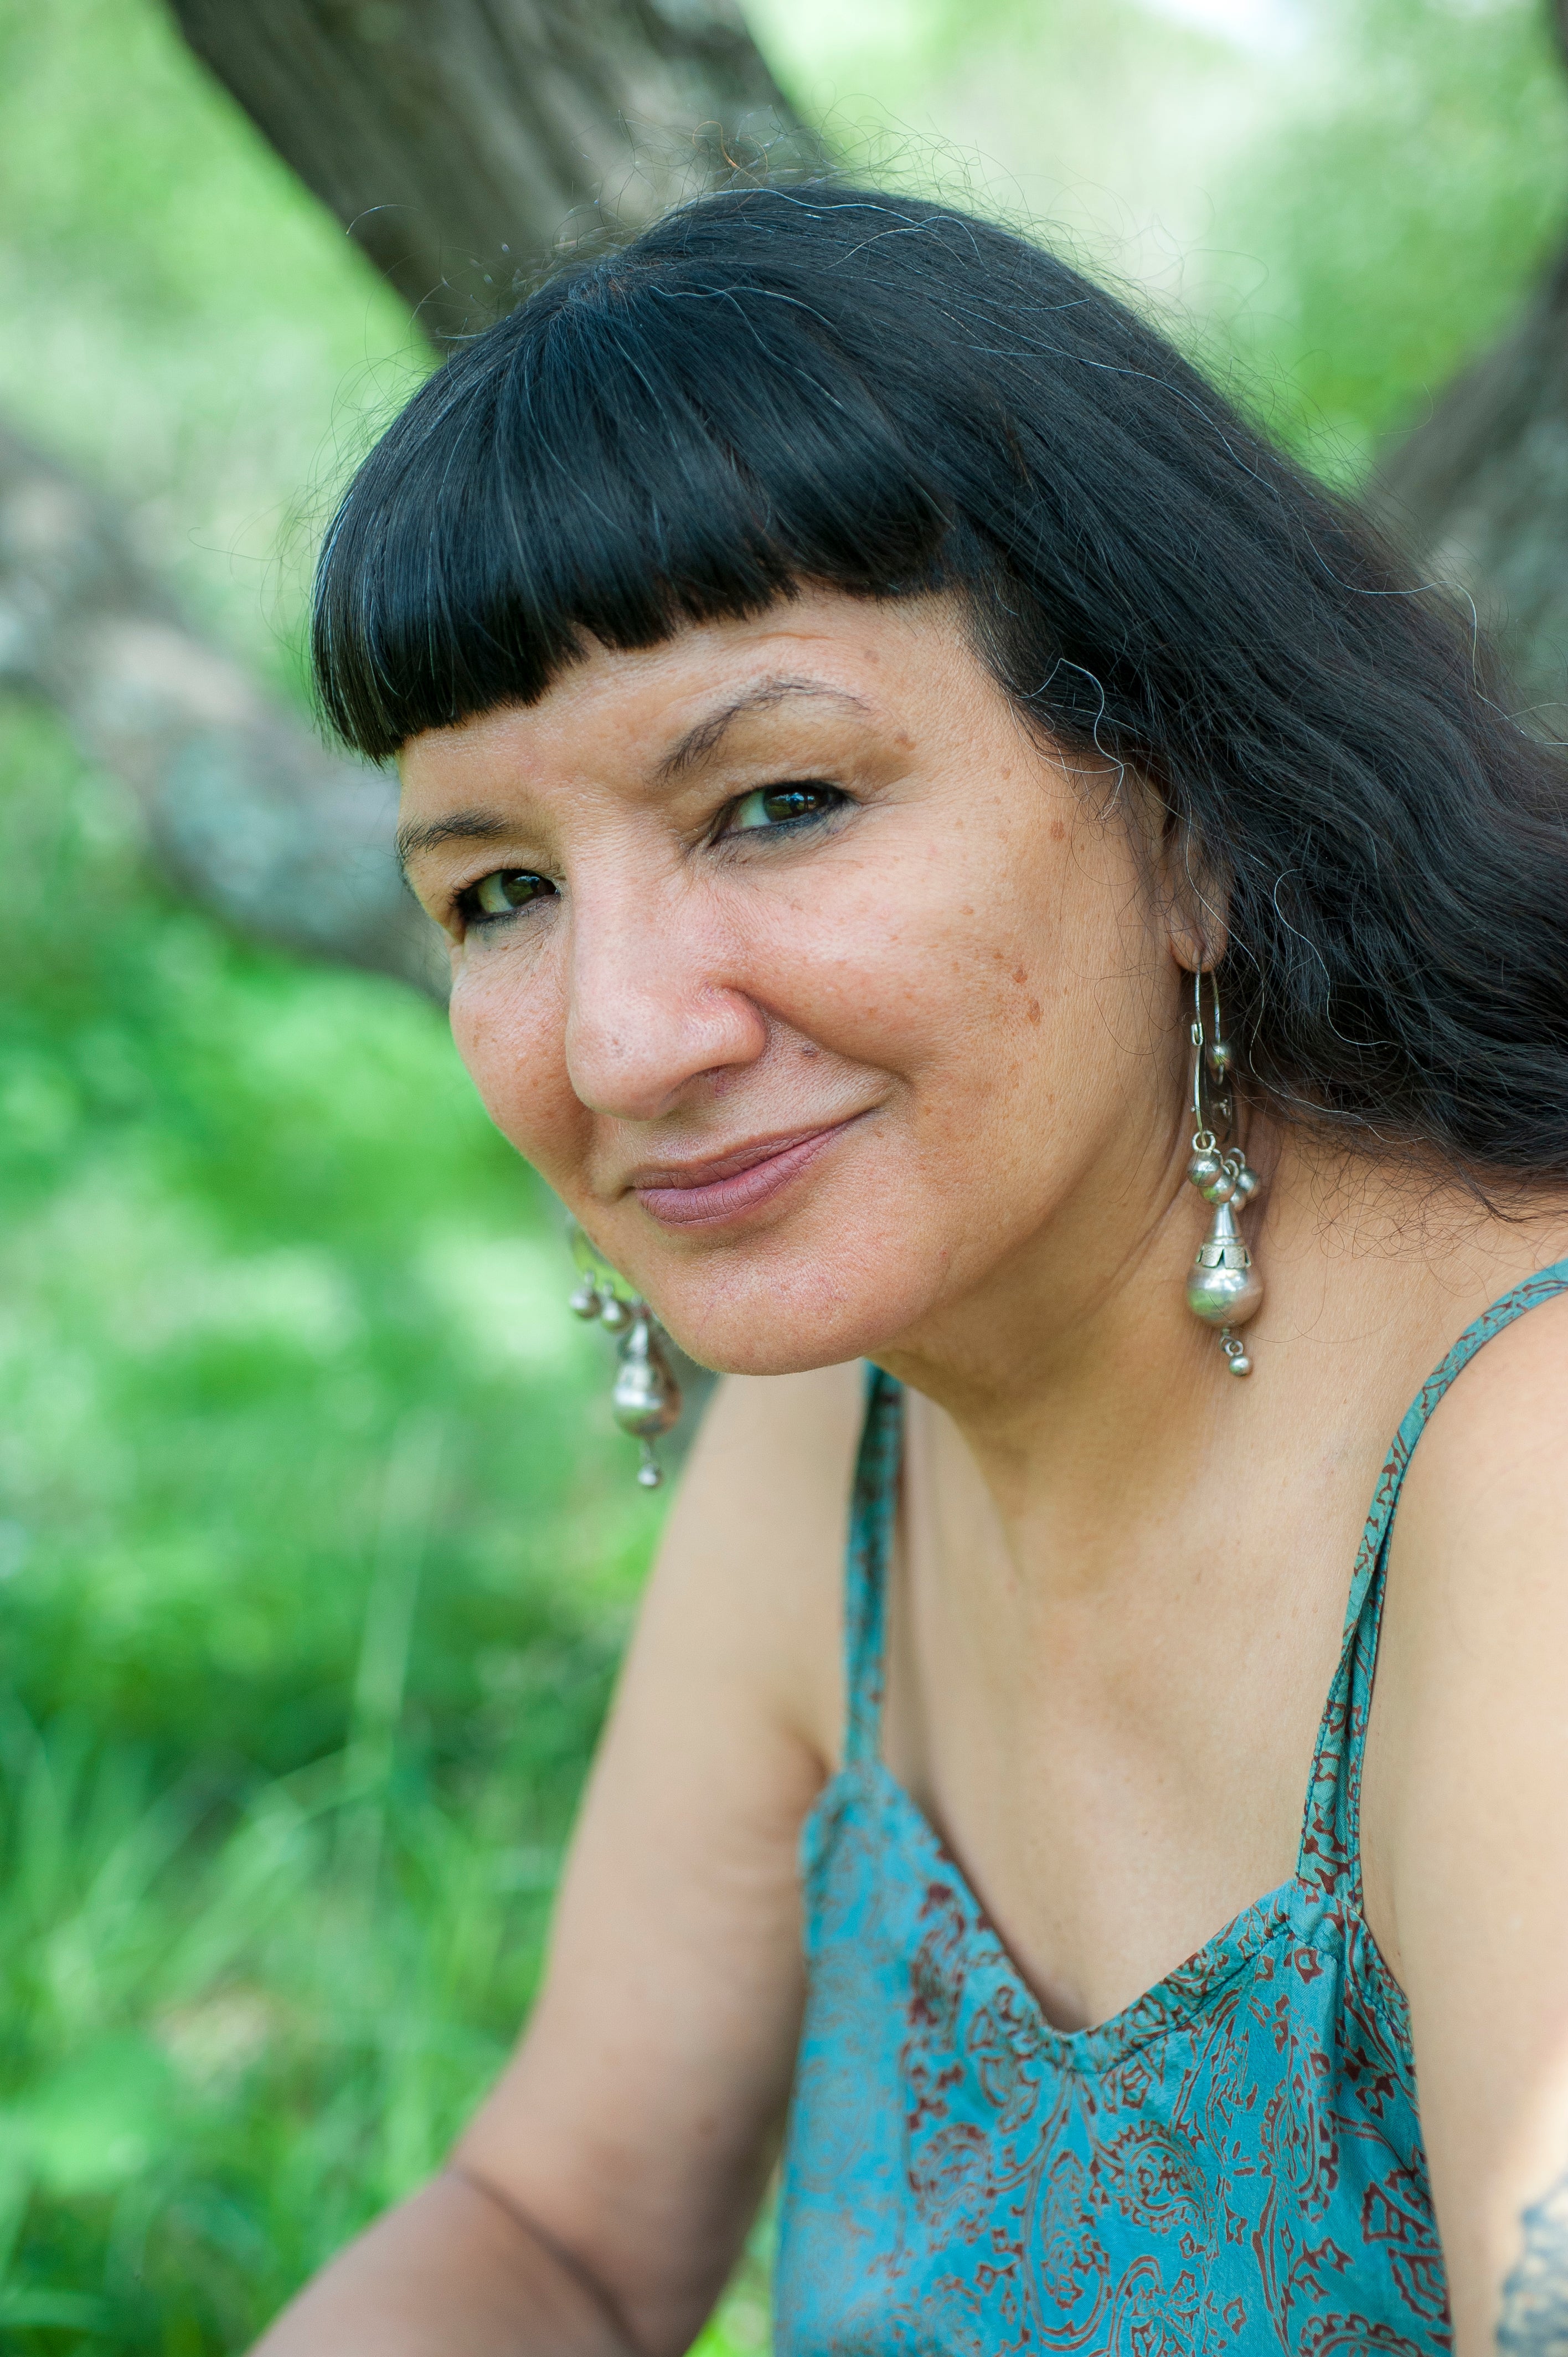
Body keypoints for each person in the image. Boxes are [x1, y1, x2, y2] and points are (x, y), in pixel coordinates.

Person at [255, 183, 1568, 2356]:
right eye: (497, 891)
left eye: (773, 801)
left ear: (1191, 816)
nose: (619, 1036)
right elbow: (555, 2229)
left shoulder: (1525, 1466)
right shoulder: (844, 1423)